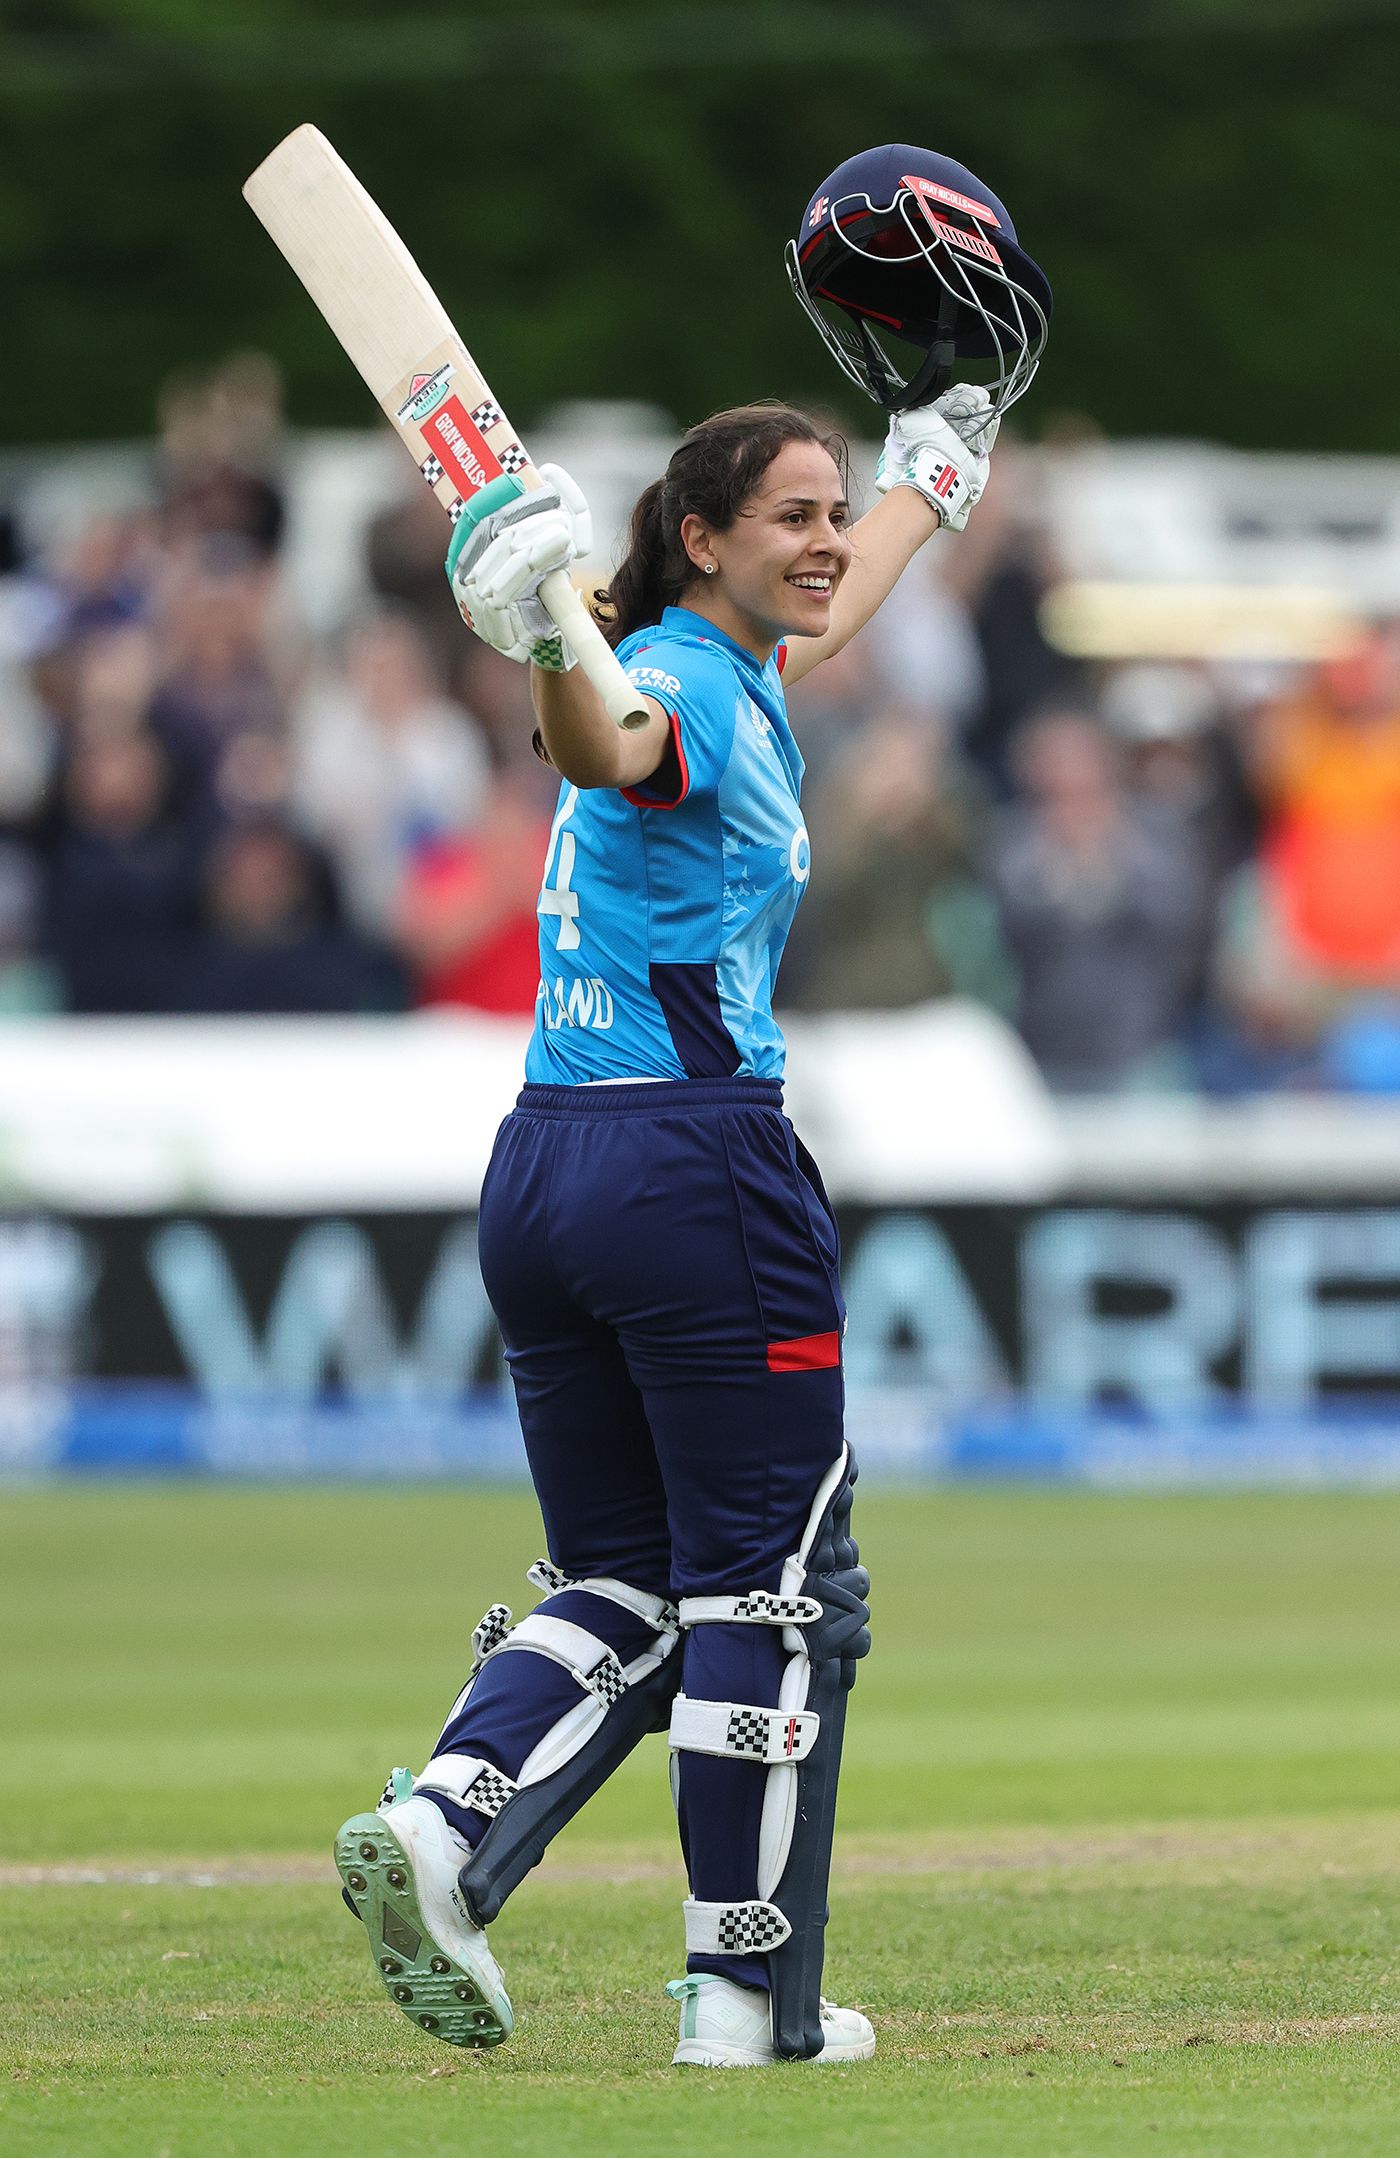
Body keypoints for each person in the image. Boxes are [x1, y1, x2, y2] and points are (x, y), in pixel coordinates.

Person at [332, 146, 1047, 2070]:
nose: (828, 537)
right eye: (792, 515)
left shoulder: (739, 646)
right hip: (692, 1164)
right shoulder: (671, 687)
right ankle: (747, 2002)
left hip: (547, 1165)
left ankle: (446, 1823)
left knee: (624, 1582)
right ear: (704, 535)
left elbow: (872, 572)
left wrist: (946, 448)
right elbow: (610, 744)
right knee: (780, 1586)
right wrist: (543, 640)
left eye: (832, 510)